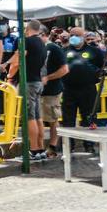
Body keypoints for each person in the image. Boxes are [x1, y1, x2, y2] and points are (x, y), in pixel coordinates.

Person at [4, 20, 47, 160]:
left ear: (27, 28)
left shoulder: (26, 42)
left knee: (29, 117)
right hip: (37, 81)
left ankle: (33, 150)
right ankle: (40, 149)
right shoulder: (41, 42)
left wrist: (9, 76)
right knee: (37, 116)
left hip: (28, 82)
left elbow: (17, 60)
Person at [62, 27, 106, 135]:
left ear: (83, 37)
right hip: (69, 89)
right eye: (72, 35)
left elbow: (102, 65)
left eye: (77, 35)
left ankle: (89, 145)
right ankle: (69, 143)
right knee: (68, 119)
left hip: (88, 89)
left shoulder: (94, 51)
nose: (74, 38)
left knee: (89, 117)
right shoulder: (64, 51)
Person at [41, 26, 69, 158]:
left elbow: (64, 69)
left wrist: (48, 78)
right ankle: (38, 147)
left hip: (52, 90)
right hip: (37, 90)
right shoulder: (34, 48)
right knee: (37, 119)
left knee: (52, 119)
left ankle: (52, 147)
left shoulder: (53, 48)